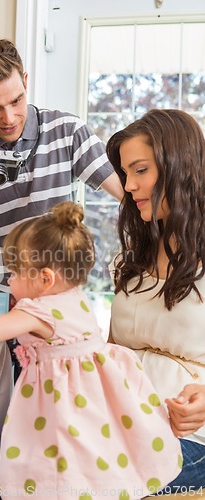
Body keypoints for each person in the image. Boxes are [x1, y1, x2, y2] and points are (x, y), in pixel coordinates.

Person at [0, 201, 182, 498]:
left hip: (62, 409)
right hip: (91, 406)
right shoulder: (75, 297)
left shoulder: (39, 310)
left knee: (54, 466)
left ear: (45, 279)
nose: (10, 280)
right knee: (85, 465)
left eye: (14, 272)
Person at [0, 38, 123, 293]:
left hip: (53, 296)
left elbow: (129, 194)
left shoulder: (68, 131)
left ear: (25, 81)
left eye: (16, 101)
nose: (9, 118)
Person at [106, 108, 205, 493]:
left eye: (140, 170)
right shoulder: (134, 257)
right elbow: (111, 350)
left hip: (187, 440)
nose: (128, 185)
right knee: (2, 456)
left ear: (178, 167)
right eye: (126, 173)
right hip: (120, 424)